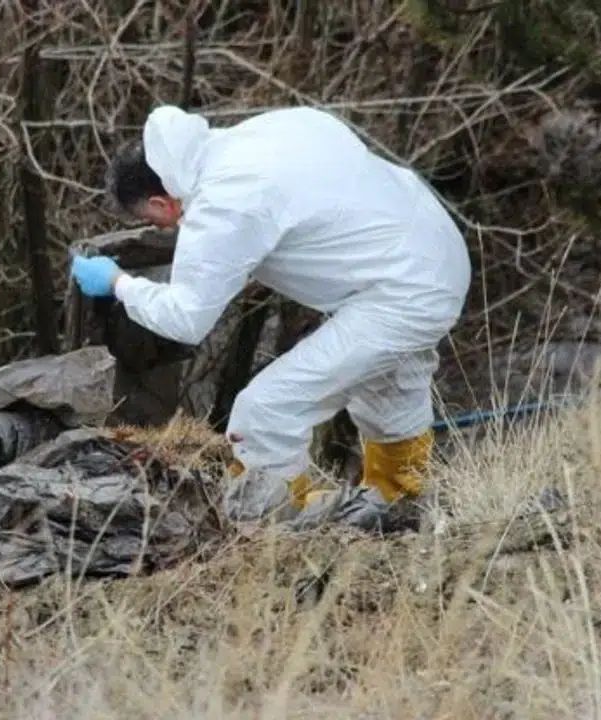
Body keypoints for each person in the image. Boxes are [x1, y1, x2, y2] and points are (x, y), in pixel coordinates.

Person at [70, 104, 473, 531]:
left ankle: (272, 530)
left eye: (153, 220)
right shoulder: (258, 136)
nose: (163, 230)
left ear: (159, 200)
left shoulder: (223, 203)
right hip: (433, 246)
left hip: (403, 290)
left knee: (264, 413)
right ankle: (402, 504)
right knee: (388, 386)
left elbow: (186, 318)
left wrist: (118, 283)